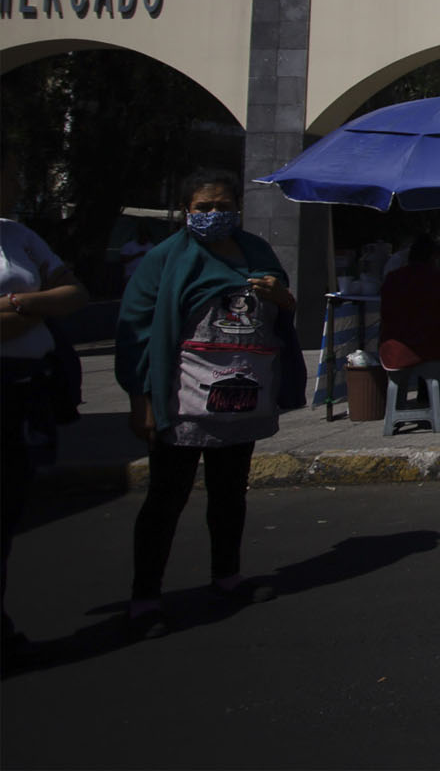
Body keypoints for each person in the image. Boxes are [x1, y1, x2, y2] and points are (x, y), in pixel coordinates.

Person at [115, 168, 305, 640]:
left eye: (223, 206)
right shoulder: (166, 259)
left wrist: (279, 296)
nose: (214, 215)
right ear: (187, 211)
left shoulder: (256, 251)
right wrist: (142, 399)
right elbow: (135, 330)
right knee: (166, 497)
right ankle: (145, 596)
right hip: (182, 398)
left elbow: (285, 304)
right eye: (204, 208)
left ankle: (227, 574)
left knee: (230, 491)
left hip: (241, 393)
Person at [1, 149, 88, 655]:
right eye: (11, 169)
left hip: (22, 391)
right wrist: (35, 307)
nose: (17, 179)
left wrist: (17, 305)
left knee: (9, 510)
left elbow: (74, 294)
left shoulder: (18, 235)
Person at [379, 234, 440, 409]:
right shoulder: (439, 278)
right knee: (436, 369)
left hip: (393, 350)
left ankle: (397, 410)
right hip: (434, 346)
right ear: (434, 256)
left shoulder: (392, 277)